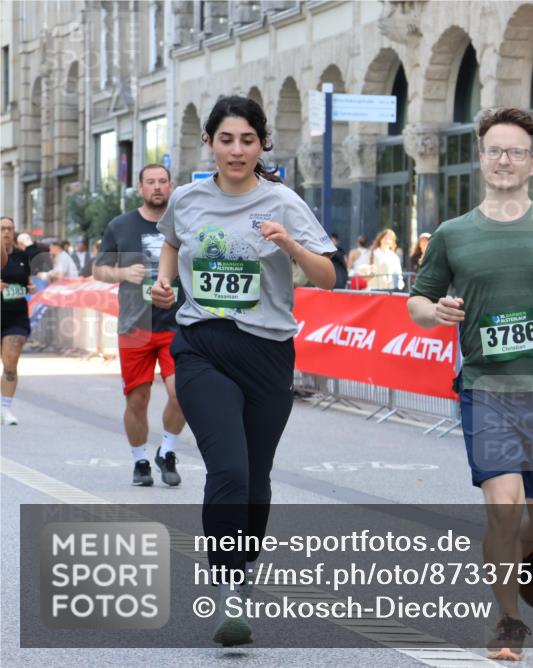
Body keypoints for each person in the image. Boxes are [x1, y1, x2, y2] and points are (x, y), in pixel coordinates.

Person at [407, 107, 533, 660]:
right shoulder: (453, 234)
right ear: (481, 157)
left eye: (515, 151)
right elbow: (417, 301)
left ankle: (530, 555)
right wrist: (434, 310)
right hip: (486, 389)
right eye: (495, 149)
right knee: (503, 504)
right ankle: (508, 621)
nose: (504, 160)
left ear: (532, 163)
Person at [150, 95, 336, 647]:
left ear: (261, 145)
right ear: (209, 142)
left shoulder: (283, 201)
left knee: (256, 477)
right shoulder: (186, 198)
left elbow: (328, 276)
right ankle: (229, 590)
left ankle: (243, 569)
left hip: (268, 351)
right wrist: (164, 287)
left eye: (247, 140)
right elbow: (171, 245)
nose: (236, 150)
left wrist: (289, 244)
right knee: (227, 468)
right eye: (226, 139)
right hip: (202, 344)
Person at [93, 164, 187, 488]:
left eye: (163, 181)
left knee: (183, 393)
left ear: (171, 186)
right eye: (151, 182)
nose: (157, 187)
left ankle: (168, 451)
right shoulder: (121, 225)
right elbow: (99, 269)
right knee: (138, 399)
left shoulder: (184, 224)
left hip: (176, 323)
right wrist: (122, 274)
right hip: (135, 325)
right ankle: (140, 461)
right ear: (140, 187)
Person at [1, 217, 35, 425]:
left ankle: (5, 409)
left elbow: (26, 280)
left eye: (9, 229)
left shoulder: (22, 256)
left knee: (11, 361)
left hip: (16, 316)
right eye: (2, 228)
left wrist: (30, 287)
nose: (6, 232)